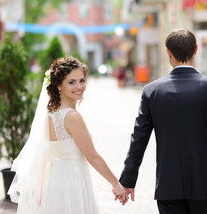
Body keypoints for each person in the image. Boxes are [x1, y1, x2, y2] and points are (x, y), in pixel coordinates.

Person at [119, 29, 207, 214]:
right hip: (206, 184)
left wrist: (127, 181)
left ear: (168, 52)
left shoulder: (152, 91)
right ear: (196, 49)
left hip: (169, 185)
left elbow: (139, 139)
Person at [8, 57, 128, 214]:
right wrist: (115, 184)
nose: (79, 86)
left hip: (53, 182)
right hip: (72, 182)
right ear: (59, 85)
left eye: (82, 80)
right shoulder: (72, 117)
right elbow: (92, 156)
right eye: (72, 82)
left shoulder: (50, 114)